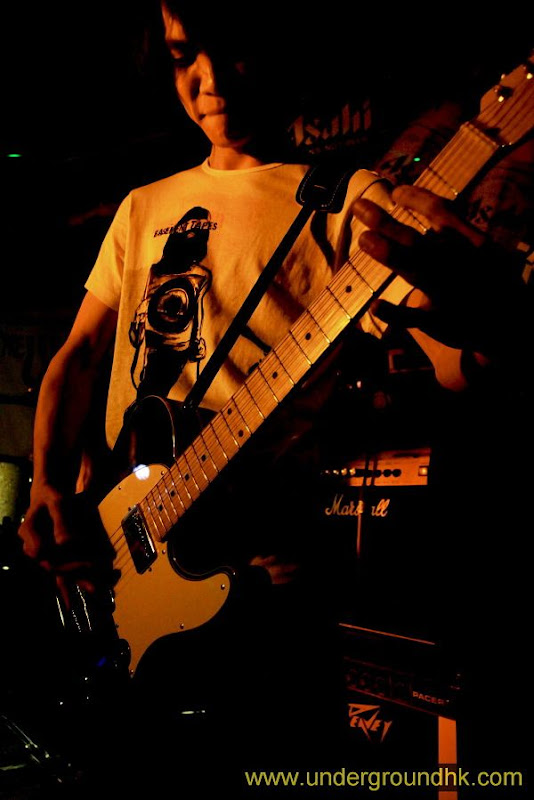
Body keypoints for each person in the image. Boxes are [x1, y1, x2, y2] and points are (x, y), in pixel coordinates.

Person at [17, 1, 532, 794]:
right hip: (125, 537)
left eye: (232, 51)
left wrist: (488, 322)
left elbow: (454, 362)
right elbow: (78, 357)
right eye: (184, 56)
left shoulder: (353, 198)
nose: (210, 80)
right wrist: (50, 484)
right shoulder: (141, 205)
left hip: (266, 575)